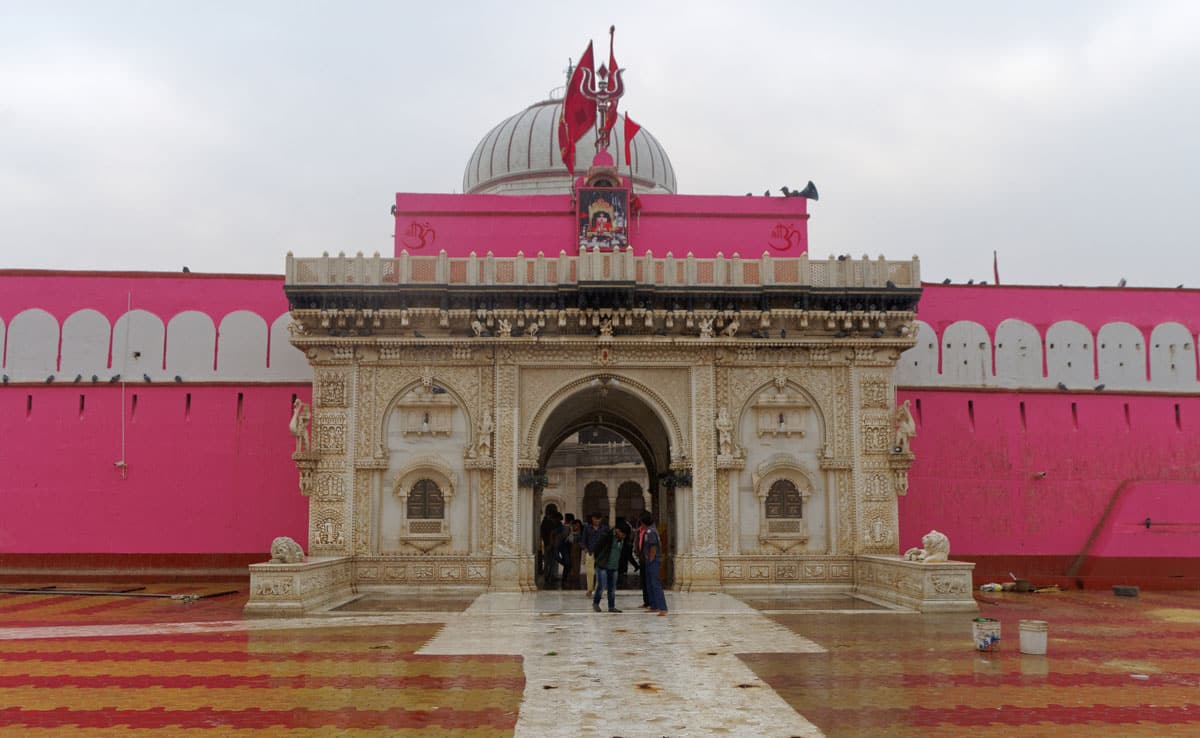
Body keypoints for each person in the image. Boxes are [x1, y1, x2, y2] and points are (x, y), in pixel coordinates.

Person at [592, 525, 626, 613]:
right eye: (622, 534)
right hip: (603, 565)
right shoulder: (607, 536)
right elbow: (597, 548)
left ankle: (611, 606)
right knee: (602, 585)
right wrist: (599, 560)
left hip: (614, 567)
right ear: (618, 530)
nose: (623, 537)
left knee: (612, 588)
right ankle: (596, 603)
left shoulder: (622, 540)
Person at [640, 510, 668, 615]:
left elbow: (653, 547)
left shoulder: (650, 532)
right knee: (650, 583)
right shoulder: (650, 530)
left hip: (653, 561)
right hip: (650, 561)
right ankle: (654, 605)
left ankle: (663, 608)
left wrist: (651, 559)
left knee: (655, 583)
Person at [581, 512, 608, 596]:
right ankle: (589, 589)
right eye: (595, 519)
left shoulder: (604, 528)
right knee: (590, 571)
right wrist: (585, 549)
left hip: (601, 553)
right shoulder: (587, 528)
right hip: (590, 552)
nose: (597, 521)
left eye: (598, 519)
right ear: (592, 518)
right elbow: (583, 540)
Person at [539, 505, 561, 585]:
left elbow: (541, 533)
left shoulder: (544, 522)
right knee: (551, 560)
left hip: (546, 543)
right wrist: (551, 543)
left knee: (547, 560)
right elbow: (551, 533)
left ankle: (547, 575)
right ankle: (551, 575)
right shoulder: (550, 522)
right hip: (550, 544)